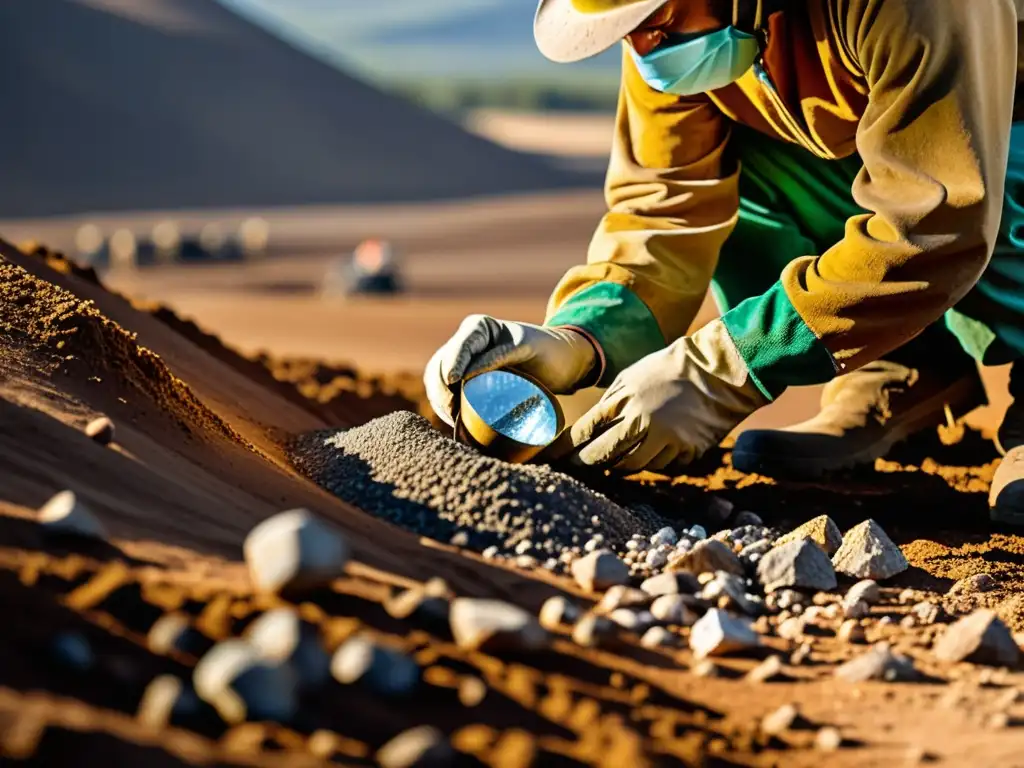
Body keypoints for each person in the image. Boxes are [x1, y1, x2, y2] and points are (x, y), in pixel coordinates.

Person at [425, 0, 1024, 525]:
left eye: (656, 18)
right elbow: (664, 209)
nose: (641, 47)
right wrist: (580, 339)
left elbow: (937, 217)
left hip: (998, 137)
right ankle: (900, 364)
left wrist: (724, 367)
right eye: (626, 29)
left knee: (1000, 182)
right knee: (748, 171)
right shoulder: (674, 43)